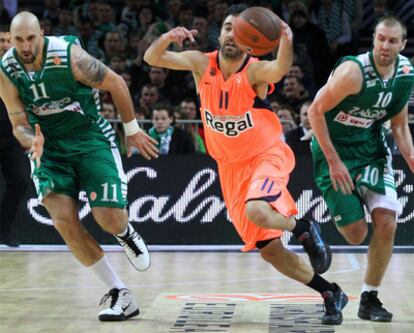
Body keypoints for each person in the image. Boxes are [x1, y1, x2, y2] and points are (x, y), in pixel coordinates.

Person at [144, 4, 348, 325]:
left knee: (257, 209)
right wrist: (168, 36)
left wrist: (285, 38)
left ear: (249, 40)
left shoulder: (253, 71)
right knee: (270, 251)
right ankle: (329, 292)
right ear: (221, 33)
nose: (231, 34)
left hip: (266, 155)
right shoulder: (202, 63)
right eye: (227, 27)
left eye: (237, 30)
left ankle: (306, 229)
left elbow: (280, 68)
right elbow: (152, 59)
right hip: (230, 168)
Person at [0, 12, 159, 321]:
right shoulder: (6, 69)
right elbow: (18, 121)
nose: (24, 45)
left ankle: (124, 232)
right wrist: (30, 140)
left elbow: (116, 83)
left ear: (42, 33)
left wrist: (132, 130)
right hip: (49, 148)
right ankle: (119, 294)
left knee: (109, 220)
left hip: (89, 138)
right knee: (63, 220)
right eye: (18, 40)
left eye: (30, 38)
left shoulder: (68, 55)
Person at [308, 16, 414, 323]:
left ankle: (369, 298)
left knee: (387, 223)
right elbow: (315, 111)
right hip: (333, 150)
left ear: (402, 45)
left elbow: (399, 126)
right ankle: (321, 229)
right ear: (374, 39)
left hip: (370, 152)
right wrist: (333, 160)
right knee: (355, 235)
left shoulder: (405, 74)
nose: (385, 45)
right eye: (381, 38)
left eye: (392, 41)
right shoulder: (354, 72)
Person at [0, 25, 28, 247]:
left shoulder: (22, 68)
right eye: (1, 40)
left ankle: (5, 230)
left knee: (20, 181)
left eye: (8, 41)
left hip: (13, 136)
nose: (5, 45)